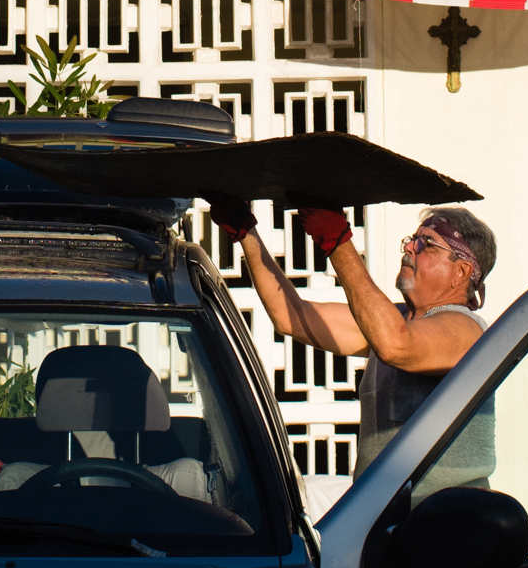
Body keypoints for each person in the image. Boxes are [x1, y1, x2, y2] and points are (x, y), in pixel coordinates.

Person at [203, 196, 498, 471]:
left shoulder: (466, 330)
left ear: (460, 272)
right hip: (387, 519)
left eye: (427, 244)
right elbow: (291, 318)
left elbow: (396, 345)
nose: (410, 248)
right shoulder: (396, 322)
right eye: (412, 240)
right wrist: (247, 233)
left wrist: (338, 242)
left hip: (442, 520)